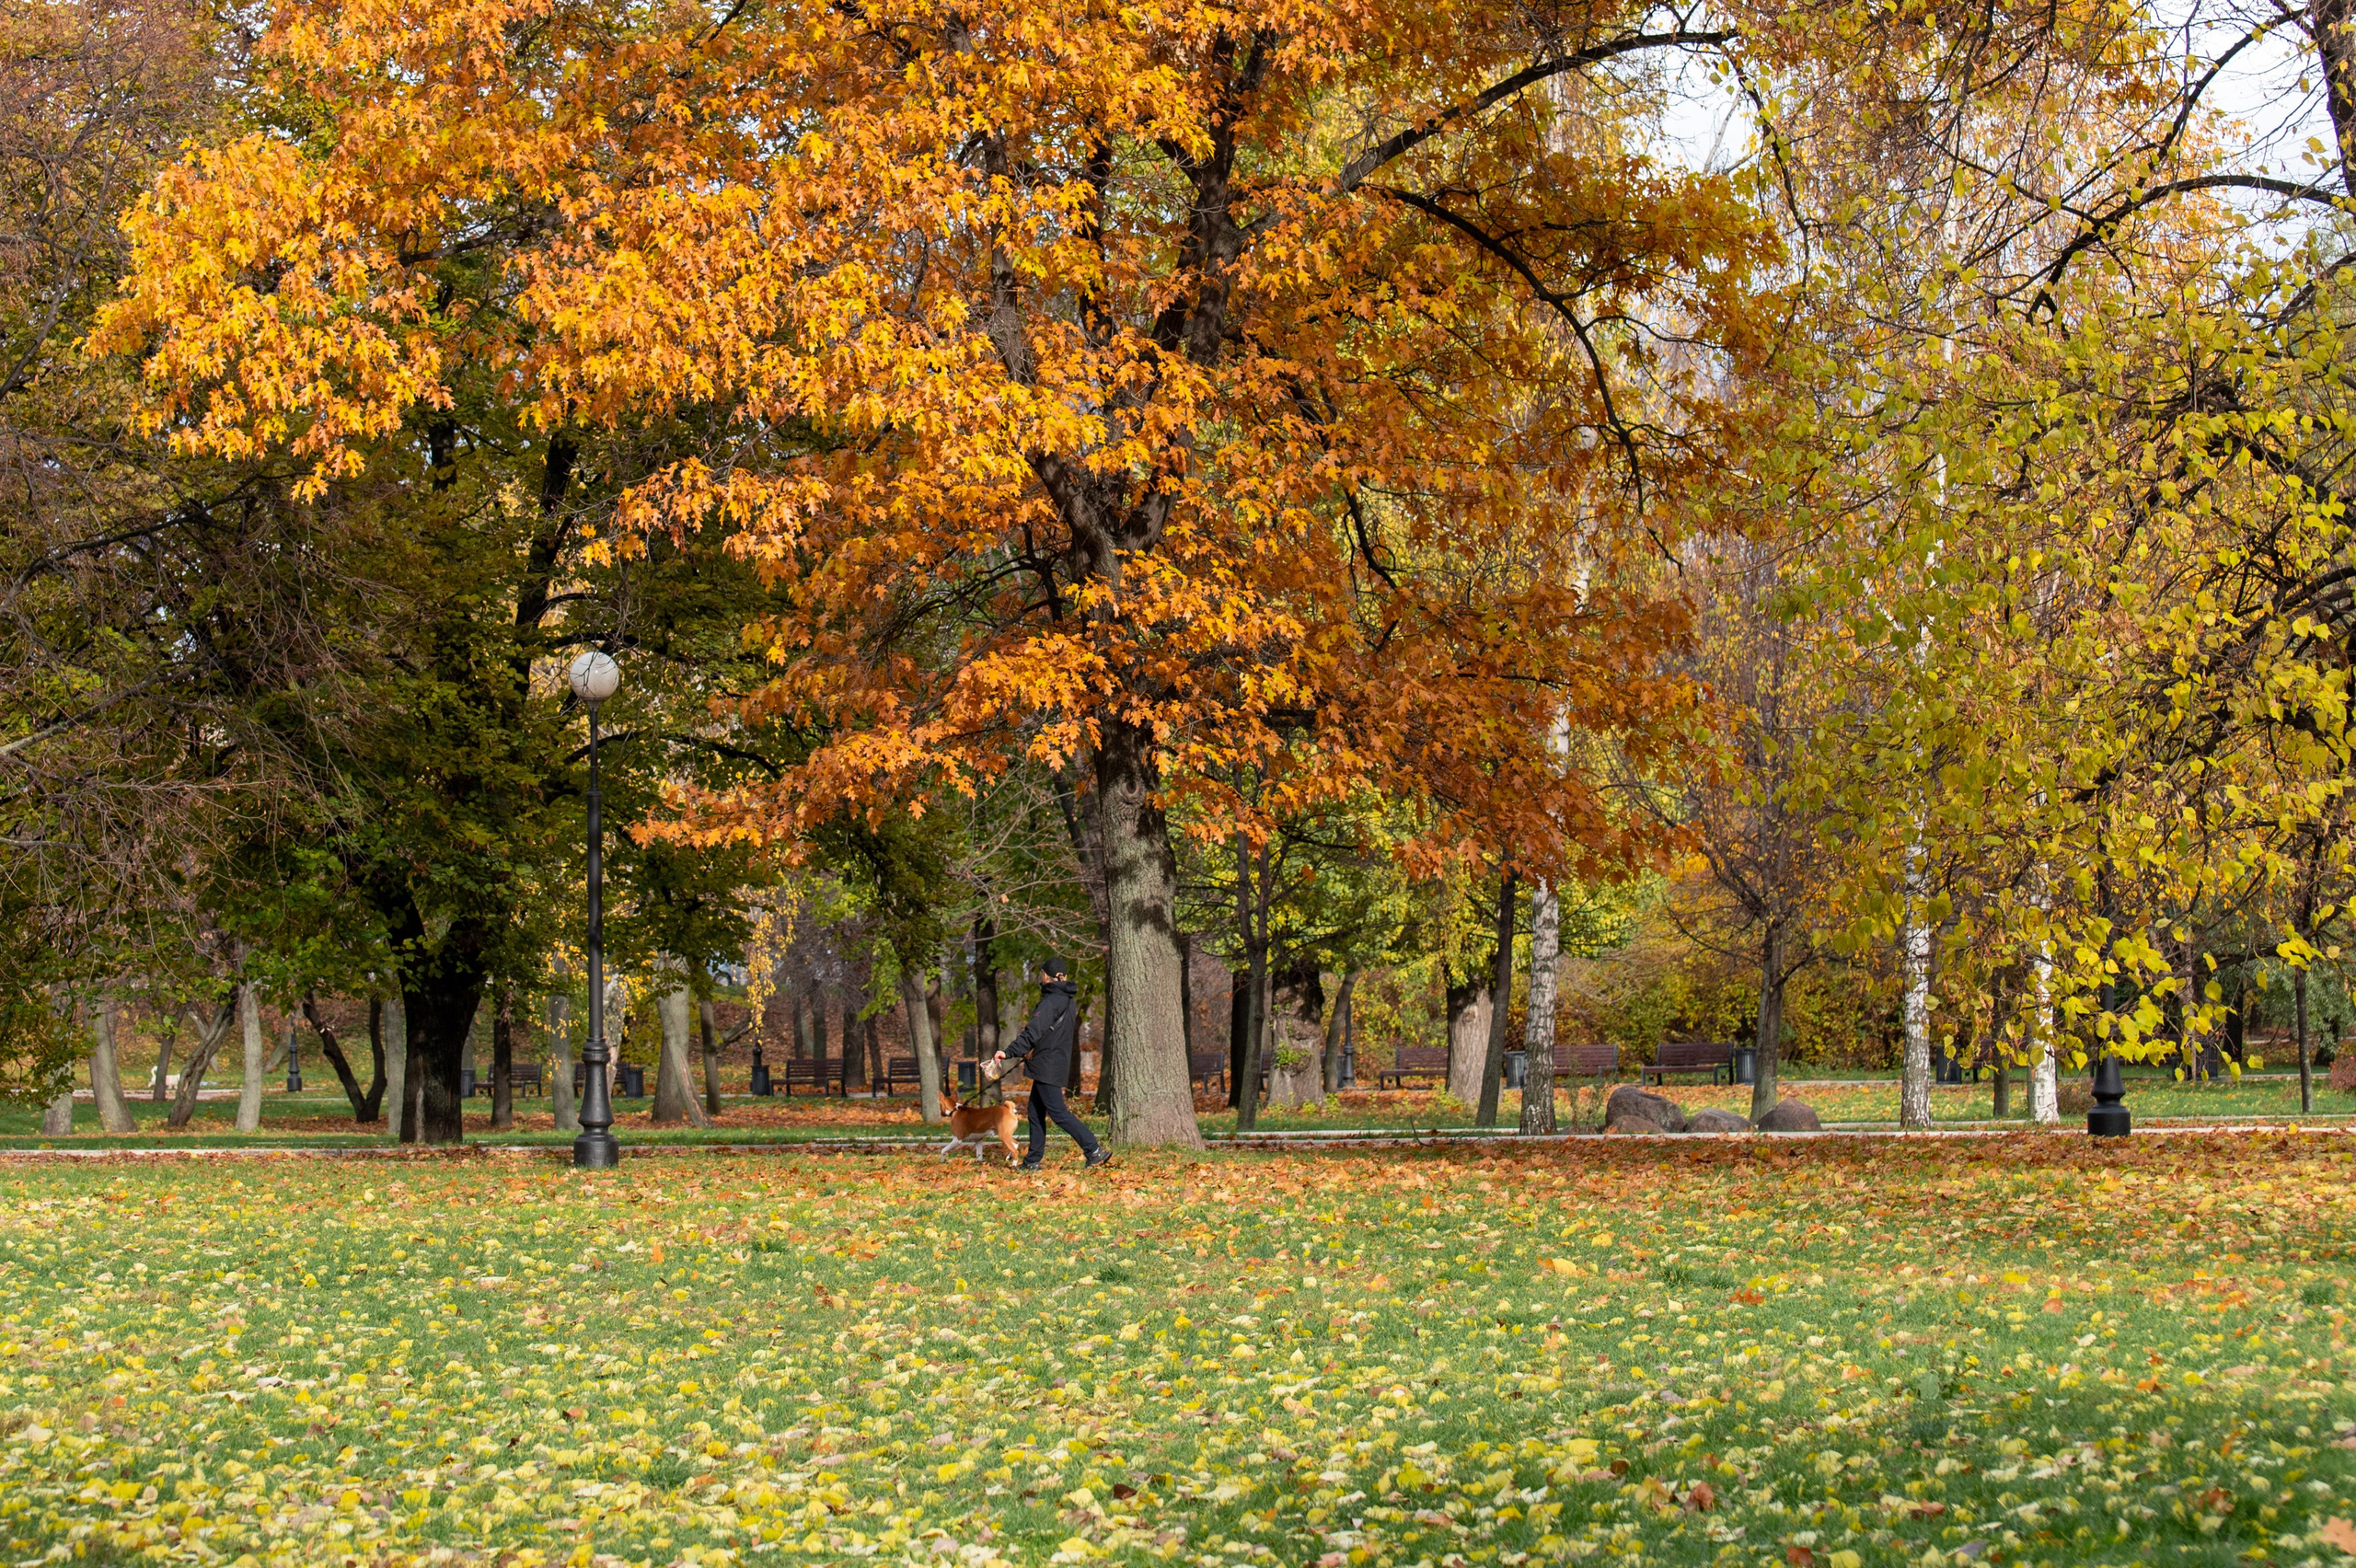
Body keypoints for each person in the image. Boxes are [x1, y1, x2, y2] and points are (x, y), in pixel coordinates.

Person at [991, 956, 1112, 1170]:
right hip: (1054, 1061)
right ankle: (1032, 1161)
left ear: (1047, 975)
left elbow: (1034, 1030)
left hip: (1048, 1063)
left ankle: (1093, 1150)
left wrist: (1008, 1052)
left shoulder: (1051, 1001)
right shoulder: (1067, 999)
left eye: (1042, 974)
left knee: (1058, 1112)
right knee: (1035, 1112)